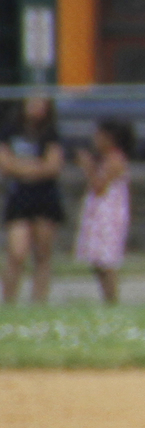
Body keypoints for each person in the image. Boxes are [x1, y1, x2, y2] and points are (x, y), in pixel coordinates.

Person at [3, 95, 68, 304]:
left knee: (42, 253)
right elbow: (5, 163)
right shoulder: (10, 132)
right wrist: (31, 168)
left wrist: (25, 168)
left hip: (44, 197)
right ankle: (9, 300)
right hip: (19, 196)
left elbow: (53, 166)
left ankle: (39, 301)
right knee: (17, 253)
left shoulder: (51, 134)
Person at [75, 119, 135, 306]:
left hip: (108, 216)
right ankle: (107, 298)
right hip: (99, 214)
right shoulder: (105, 159)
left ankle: (112, 299)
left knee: (106, 260)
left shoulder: (115, 160)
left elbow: (99, 186)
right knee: (97, 260)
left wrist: (87, 166)